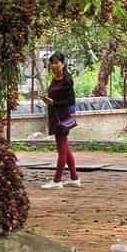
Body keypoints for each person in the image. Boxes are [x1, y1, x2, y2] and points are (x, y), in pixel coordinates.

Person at [41, 51, 80, 189]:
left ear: (63, 64)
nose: (54, 65)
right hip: (54, 115)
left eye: (57, 63)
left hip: (62, 117)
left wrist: (53, 102)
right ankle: (74, 178)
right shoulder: (55, 78)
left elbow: (71, 101)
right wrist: (47, 99)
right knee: (65, 148)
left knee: (61, 150)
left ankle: (57, 181)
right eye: (52, 63)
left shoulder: (67, 80)